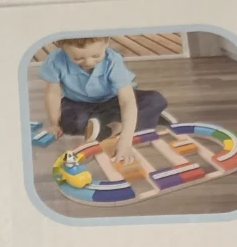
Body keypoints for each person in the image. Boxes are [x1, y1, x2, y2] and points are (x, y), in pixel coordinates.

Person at [40, 36, 168, 164]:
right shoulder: (55, 60)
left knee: (155, 100)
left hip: (112, 100)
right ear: (62, 48)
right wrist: (54, 124)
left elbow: (127, 100)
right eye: (78, 58)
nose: (88, 62)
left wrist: (125, 140)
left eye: (96, 56)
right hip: (78, 103)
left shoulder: (113, 60)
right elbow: (53, 94)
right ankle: (121, 124)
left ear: (106, 43)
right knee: (70, 123)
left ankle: (114, 126)